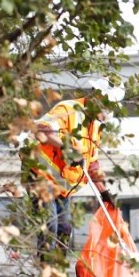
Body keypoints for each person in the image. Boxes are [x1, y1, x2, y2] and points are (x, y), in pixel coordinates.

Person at [22, 77, 124, 264]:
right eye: (107, 106)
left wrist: (104, 193)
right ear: (97, 97)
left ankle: (57, 270)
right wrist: (67, 148)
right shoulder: (69, 109)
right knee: (50, 224)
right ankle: (45, 270)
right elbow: (40, 129)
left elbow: (91, 164)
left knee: (65, 228)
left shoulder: (95, 126)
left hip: (61, 185)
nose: (107, 113)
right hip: (39, 174)